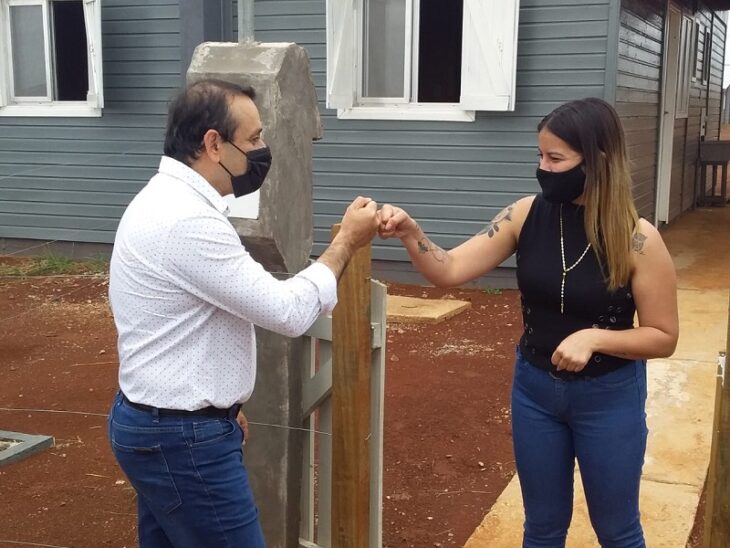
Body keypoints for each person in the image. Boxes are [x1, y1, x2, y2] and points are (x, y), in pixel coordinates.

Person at [378, 98, 678, 547]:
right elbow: (450, 269)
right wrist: (410, 232)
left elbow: (663, 336)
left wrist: (595, 338)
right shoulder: (524, 214)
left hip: (608, 397)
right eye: (540, 156)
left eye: (555, 159)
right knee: (542, 527)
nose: (543, 168)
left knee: (617, 530)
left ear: (597, 160)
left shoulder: (638, 239)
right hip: (535, 392)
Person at [107, 79, 379, 547]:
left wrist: (222, 406)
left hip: (164, 424)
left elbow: (190, 323)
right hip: (182, 439)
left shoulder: (164, 199)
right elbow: (288, 312)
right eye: (253, 139)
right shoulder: (187, 221)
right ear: (213, 144)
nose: (262, 149)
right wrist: (345, 243)